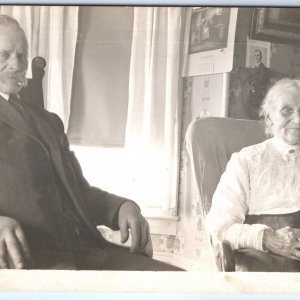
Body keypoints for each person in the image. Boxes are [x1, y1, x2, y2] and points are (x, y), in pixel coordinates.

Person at [0, 14, 182, 271]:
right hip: (32, 262)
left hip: (86, 252)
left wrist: (121, 207)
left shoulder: (48, 122)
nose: (16, 64)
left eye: (21, 55)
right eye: (4, 55)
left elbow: (78, 192)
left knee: (178, 281)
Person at [206, 78, 300, 272]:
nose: (298, 120)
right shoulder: (247, 160)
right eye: (286, 111)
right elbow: (219, 226)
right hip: (263, 262)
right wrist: (267, 238)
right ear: (269, 118)